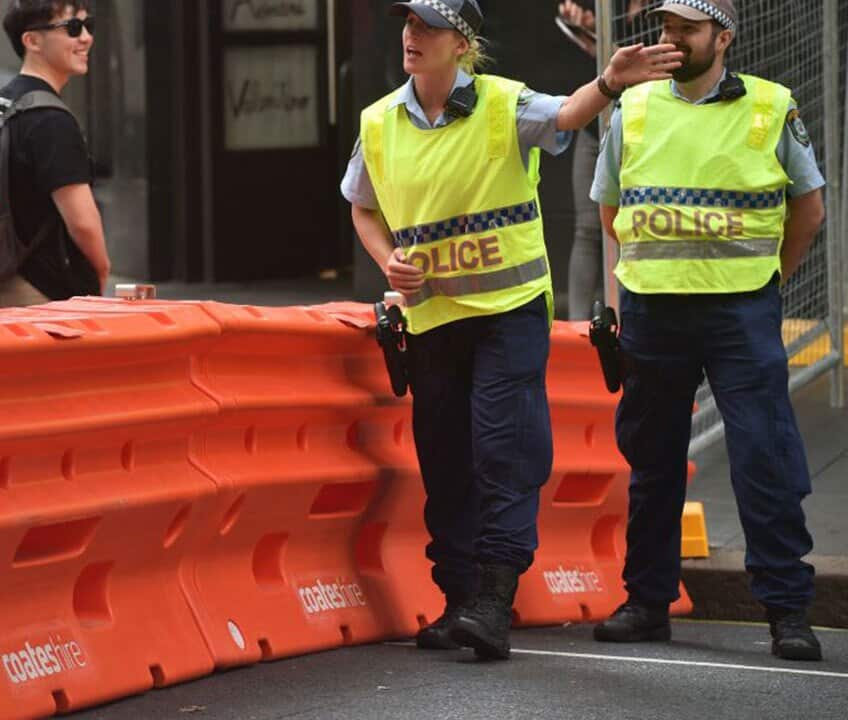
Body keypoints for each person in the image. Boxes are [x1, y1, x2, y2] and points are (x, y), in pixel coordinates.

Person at [341, 0, 679, 660]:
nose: (412, 35)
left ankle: (494, 600)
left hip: (508, 311)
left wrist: (608, 81)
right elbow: (362, 206)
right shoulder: (378, 122)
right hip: (434, 319)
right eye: (408, 24)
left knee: (504, 451)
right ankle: (458, 599)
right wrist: (388, 262)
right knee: (445, 462)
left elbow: (568, 113)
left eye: (428, 26)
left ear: (461, 44)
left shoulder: (503, 103)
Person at [589, 0, 826, 661]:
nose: (671, 39)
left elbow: (809, 209)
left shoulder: (771, 105)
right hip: (653, 310)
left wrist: (766, 281)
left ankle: (787, 611)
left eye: (686, 30)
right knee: (652, 461)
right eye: (666, 27)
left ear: (722, 38)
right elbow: (612, 212)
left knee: (763, 458)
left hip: (739, 311)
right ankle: (647, 602)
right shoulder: (634, 106)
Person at [0, 0, 110, 308]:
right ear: (32, 41)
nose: (86, 38)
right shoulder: (50, 120)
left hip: (2, 283)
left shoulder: (2, 105)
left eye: (88, 26)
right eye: (73, 28)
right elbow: (83, 222)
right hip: (46, 293)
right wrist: (101, 270)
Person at [557, 0, 649, 319]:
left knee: (632, 229)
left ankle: (629, 318)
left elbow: (649, 66)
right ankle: (577, 324)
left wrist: (598, 37)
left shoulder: (666, 14)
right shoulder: (609, 7)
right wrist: (584, 24)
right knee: (586, 230)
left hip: (644, 134)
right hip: (595, 130)